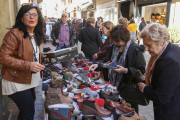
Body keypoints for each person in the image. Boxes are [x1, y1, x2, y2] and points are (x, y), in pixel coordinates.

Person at [0, 3, 45, 120]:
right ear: (21, 17)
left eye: (34, 15)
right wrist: (28, 65)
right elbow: (3, 57)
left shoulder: (34, 35)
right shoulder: (14, 34)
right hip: (16, 80)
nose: (31, 17)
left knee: (27, 111)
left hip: (27, 78)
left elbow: (28, 53)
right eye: (28, 14)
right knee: (29, 112)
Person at [89, 24, 146, 113]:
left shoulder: (135, 49)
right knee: (114, 111)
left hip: (128, 90)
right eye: (114, 40)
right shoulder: (113, 47)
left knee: (128, 113)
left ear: (124, 38)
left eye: (117, 40)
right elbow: (107, 60)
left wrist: (126, 70)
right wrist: (98, 65)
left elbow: (141, 70)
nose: (115, 42)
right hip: (113, 88)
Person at [138, 23, 180, 120]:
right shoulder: (172, 49)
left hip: (169, 113)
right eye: (145, 45)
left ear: (160, 41)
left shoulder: (169, 61)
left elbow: (161, 97)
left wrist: (144, 89)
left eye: (149, 45)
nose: (146, 49)